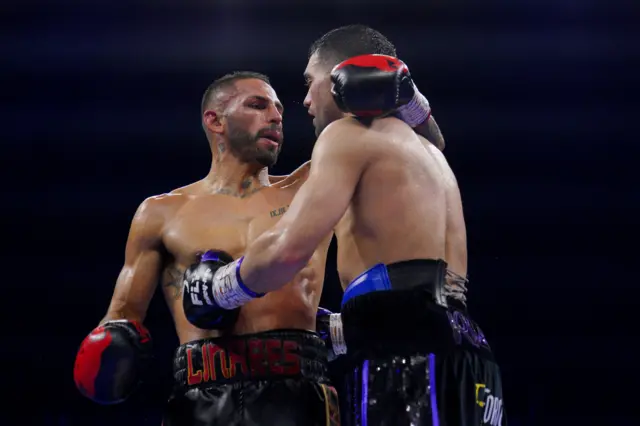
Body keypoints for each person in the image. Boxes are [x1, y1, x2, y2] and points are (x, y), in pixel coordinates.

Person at [185, 25, 507, 426]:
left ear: (341, 77)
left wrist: (219, 289)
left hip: (408, 361)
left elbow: (288, 249)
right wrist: (341, 328)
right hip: (470, 358)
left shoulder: (346, 136)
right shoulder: (427, 153)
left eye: (310, 82)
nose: (303, 100)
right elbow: (420, 289)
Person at [72, 71, 341, 426]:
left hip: (299, 393)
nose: (276, 116)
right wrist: (111, 350)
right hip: (203, 397)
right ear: (215, 120)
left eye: (278, 109)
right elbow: (122, 316)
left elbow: (394, 145)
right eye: (257, 105)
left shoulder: (311, 188)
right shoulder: (162, 213)